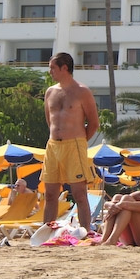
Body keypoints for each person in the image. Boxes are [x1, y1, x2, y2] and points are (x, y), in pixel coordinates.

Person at [42, 51, 100, 230]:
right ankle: (47, 232)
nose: (50, 71)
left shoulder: (82, 91)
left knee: (79, 193)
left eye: (53, 68)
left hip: (74, 144)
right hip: (53, 145)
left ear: (64, 68)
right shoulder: (50, 92)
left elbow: (93, 123)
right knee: (50, 194)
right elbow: (49, 120)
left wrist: (80, 141)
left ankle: (85, 231)